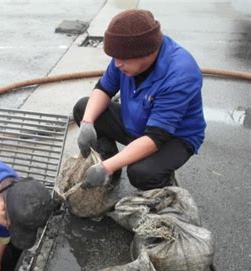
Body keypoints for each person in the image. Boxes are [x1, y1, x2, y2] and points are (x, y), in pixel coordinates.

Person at [75, 9, 206, 191]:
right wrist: (87, 122)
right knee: (83, 107)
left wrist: (105, 169)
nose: (117, 63)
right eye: (115, 57)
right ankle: (110, 165)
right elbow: (103, 89)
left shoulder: (180, 74)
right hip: (137, 122)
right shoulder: (124, 57)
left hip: (173, 137)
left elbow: (156, 137)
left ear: (148, 52)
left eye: (123, 59)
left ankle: (163, 186)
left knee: (142, 173)